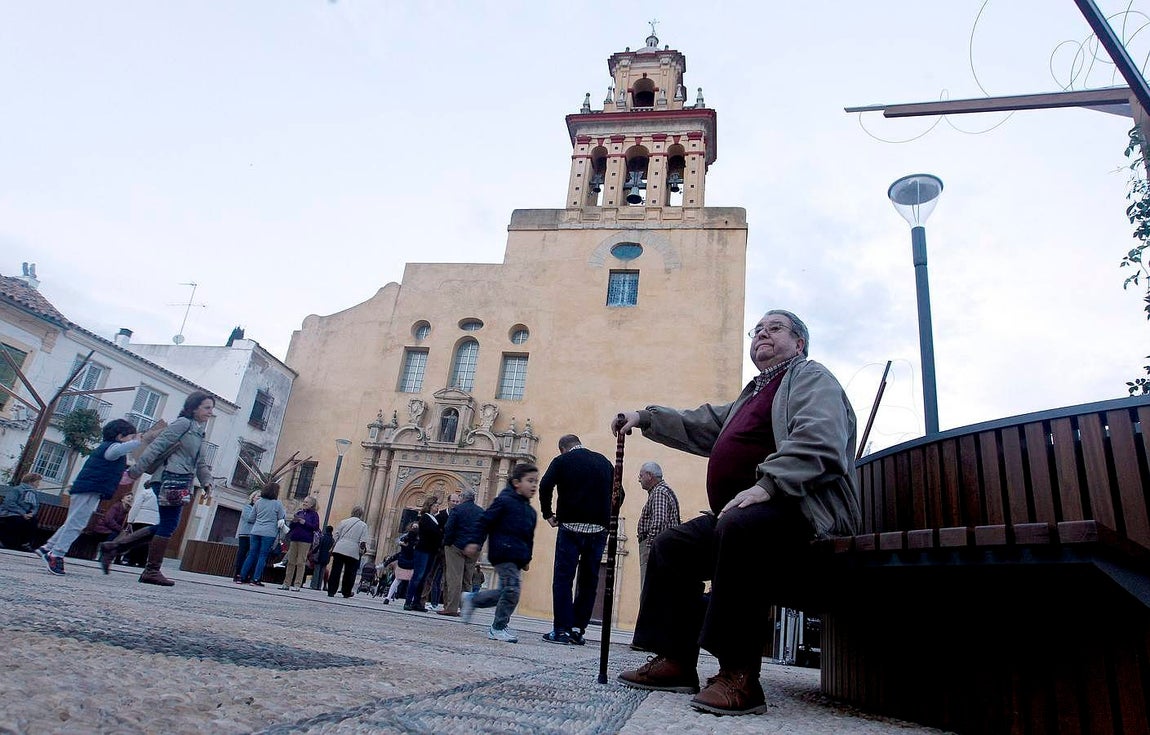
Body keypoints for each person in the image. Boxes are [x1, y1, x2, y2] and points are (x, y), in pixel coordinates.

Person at [613, 309, 861, 717]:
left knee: (740, 528)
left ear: (799, 343)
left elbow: (821, 440)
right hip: (746, 515)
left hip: (803, 514)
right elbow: (701, 422)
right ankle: (675, 660)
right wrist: (645, 418)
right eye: (758, 329)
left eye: (775, 328)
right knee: (673, 545)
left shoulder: (811, 377)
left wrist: (768, 485)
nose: (763, 333)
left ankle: (739, 676)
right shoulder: (752, 395)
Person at [122, 391, 216, 586]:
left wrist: (206, 481)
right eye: (207, 408)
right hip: (168, 477)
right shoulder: (182, 424)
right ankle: (150, 569)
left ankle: (115, 547)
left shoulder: (198, 431)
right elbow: (157, 446)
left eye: (211, 408)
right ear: (193, 408)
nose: (210, 412)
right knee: (170, 523)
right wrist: (135, 471)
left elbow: (200, 461)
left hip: (181, 480)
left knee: (168, 523)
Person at [37, 419, 140, 576]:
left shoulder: (107, 448)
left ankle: (48, 547)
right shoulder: (112, 448)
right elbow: (116, 451)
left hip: (88, 489)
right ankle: (56, 554)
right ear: (120, 436)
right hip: (89, 489)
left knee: (73, 521)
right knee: (76, 524)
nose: (131, 441)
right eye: (130, 437)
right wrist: (137, 442)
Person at [538, 434, 614, 646]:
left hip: (570, 527)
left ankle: (561, 629)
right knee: (589, 581)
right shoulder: (604, 462)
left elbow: (545, 486)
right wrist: (607, 515)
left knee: (563, 579)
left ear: (563, 448)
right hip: (599, 529)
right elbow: (620, 493)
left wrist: (548, 513)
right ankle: (578, 629)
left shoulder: (562, 461)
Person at [462, 462, 539, 643]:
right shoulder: (504, 501)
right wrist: (474, 541)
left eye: (536, 481)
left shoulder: (530, 512)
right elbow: (484, 521)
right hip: (503, 553)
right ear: (516, 483)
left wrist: (527, 558)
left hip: (517, 557)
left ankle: (473, 599)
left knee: (507, 591)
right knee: (511, 591)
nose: (534, 485)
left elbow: (528, 537)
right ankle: (497, 627)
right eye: (530, 481)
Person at [635, 461, 681, 585]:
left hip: (655, 545)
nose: (639, 480)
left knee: (649, 584)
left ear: (650, 475)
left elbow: (659, 521)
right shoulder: (661, 491)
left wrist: (650, 546)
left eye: (641, 475)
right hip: (661, 545)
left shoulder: (659, 492)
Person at [439, 488, 483, 616]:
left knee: (454, 578)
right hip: (473, 549)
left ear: (463, 498)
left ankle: (451, 608)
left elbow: (449, 527)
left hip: (456, 547)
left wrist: (447, 543)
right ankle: (464, 608)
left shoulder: (457, 510)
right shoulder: (481, 512)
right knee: (467, 579)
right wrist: (478, 546)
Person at [238, 482, 287, 586]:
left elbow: (251, 518)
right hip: (269, 533)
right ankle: (255, 579)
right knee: (263, 556)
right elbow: (282, 518)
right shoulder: (277, 504)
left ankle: (241, 577)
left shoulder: (259, 502)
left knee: (251, 554)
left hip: (255, 531)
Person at [404, 495, 441, 611]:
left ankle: (417, 602)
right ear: (430, 506)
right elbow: (433, 532)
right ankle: (408, 601)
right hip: (423, 550)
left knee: (424, 577)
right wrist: (439, 532)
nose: (437, 507)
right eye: (435, 505)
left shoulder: (434, 518)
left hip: (431, 550)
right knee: (418, 576)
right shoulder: (425, 517)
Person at [328, 506, 369, 598]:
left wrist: (333, 546)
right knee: (349, 572)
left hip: (339, 548)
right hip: (353, 550)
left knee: (336, 570)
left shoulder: (343, 522)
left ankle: (331, 590)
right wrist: (361, 551)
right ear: (361, 514)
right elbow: (363, 541)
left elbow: (336, 535)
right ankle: (346, 591)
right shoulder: (363, 525)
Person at [280, 496, 319, 591]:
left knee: (301, 562)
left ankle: (297, 584)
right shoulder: (299, 513)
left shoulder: (314, 515)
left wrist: (304, 522)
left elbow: (315, 527)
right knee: (290, 561)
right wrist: (294, 522)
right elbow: (292, 527)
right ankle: (286, 583)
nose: (304, 503)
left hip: (305, 540)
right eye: (304, 502)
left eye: (307, 502)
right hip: (295, 538)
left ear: (312, 505)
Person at [0, 472, 42, 551]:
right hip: (10, 512)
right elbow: (9, 503)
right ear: (31, 482)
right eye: (37, 482)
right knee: (17, 520)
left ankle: (25, 543)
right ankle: (5, 542)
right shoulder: (17, 489)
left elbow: (36, 506)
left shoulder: (34, 493)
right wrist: (23, 513)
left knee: (33, 521)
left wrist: (31, 513)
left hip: (25, 515)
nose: (38, 484)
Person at [382, 522, 418, 603]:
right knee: (411, 582)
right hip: (412, 563)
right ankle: (410, 599)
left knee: (397, 580)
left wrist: (401, 543)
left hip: (403, 562)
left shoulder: (405, 538)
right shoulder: (417, 540)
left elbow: (397, 540)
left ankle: (388, 597)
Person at [232, 490, 260, 583]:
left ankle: (247, 575)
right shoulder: (248, 507)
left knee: (251, 555)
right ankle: (237, 574)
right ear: (253, 498)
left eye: (260, 498)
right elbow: (249, 518)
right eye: (257, 497)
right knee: (242, 554)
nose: (259, 499)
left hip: (255, 535)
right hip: (245, 534)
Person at [307, 524, 335, 590]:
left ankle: (314, 585)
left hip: (320, 556)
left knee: (317, 571)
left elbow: (318, 547)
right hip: (327, 557)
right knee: (322, 571)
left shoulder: (323, 538)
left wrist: (313, 552)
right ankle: (319, 586)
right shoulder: (332, 540)